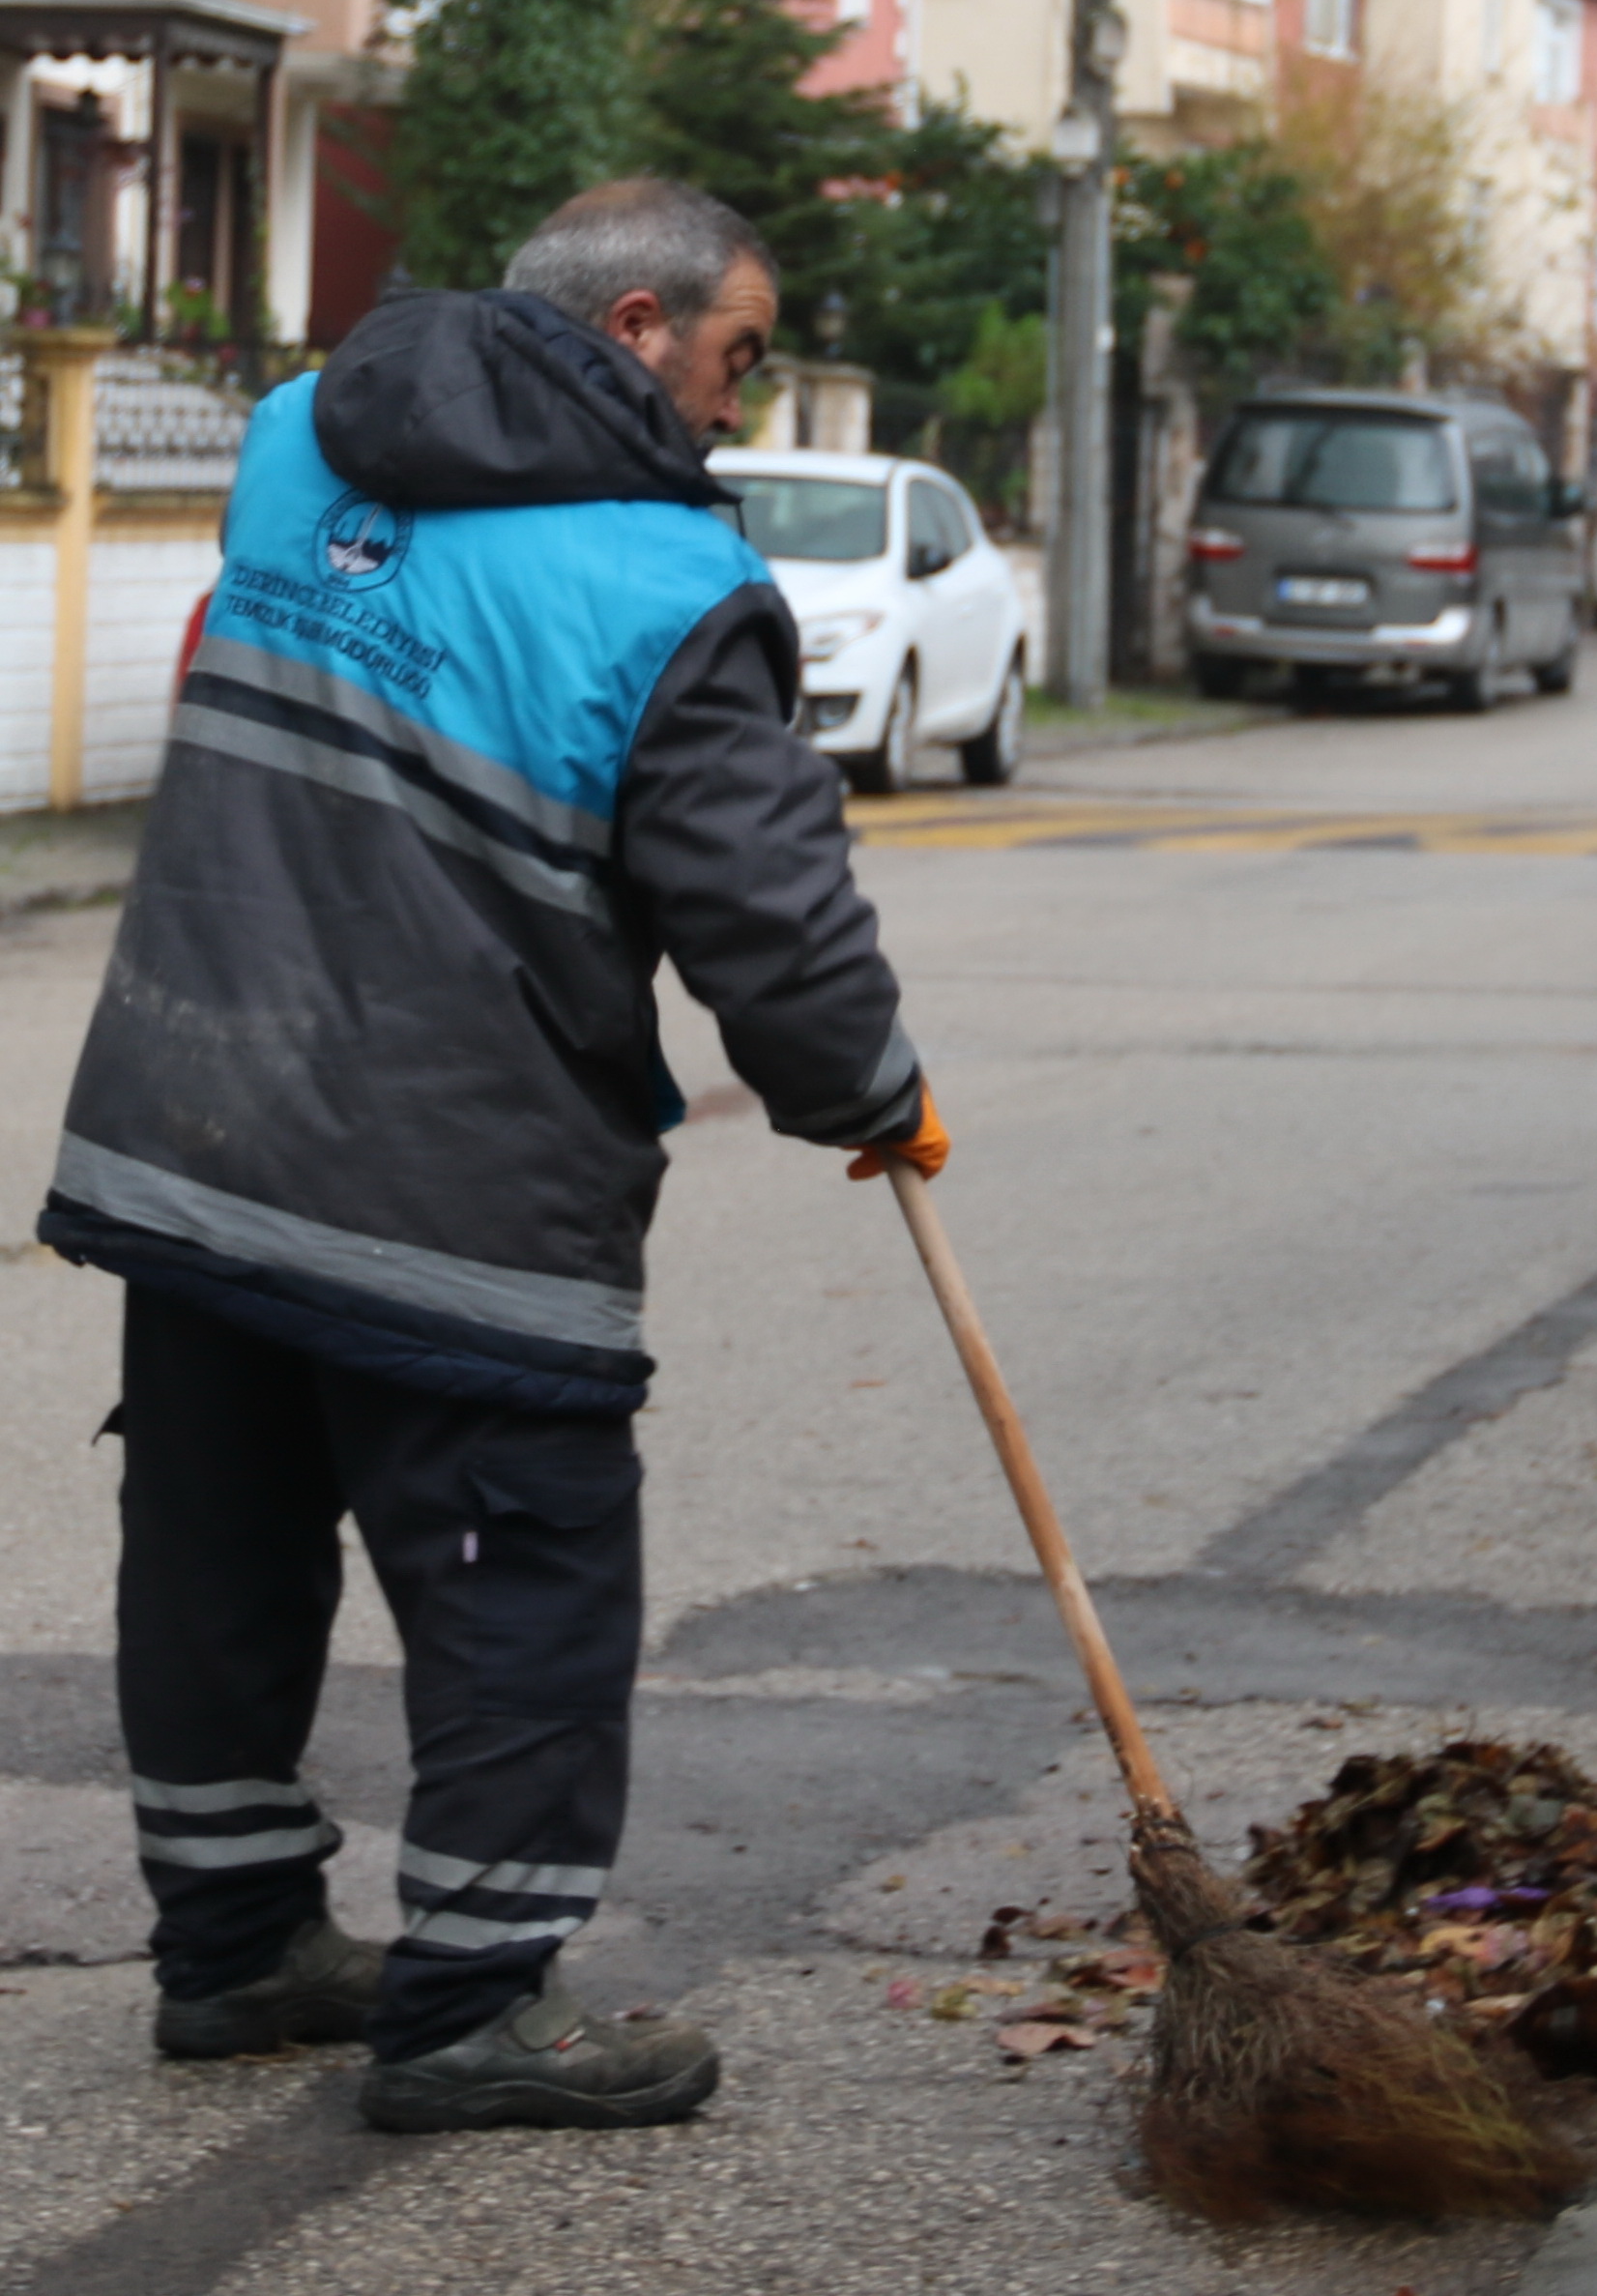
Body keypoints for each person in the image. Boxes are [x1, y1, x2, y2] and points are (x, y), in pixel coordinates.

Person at [35, 178, 949, 2133]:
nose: (734, 404)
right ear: (635, 331)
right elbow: (767, 924)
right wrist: (870, 1087)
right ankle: (468, 2010)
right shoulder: (667, 587)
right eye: (732, 357)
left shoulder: (293, 443)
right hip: (452, 1196)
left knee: (220, 1549)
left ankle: (234, 1947)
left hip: (193, 1137)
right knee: (520, 1576)